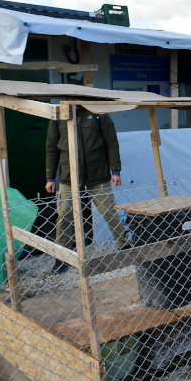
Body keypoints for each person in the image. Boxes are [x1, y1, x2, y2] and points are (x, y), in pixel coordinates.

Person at [45, 110, 128, 273]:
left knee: (109, 211)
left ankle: (125, 247)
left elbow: (112, 143)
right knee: (64, 214)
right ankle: (62, 258)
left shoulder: (99, 114)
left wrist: (115, 171)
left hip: (98, 174)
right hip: (68, 176)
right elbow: (51, 149)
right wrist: (50, 177)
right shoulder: (57, 117)